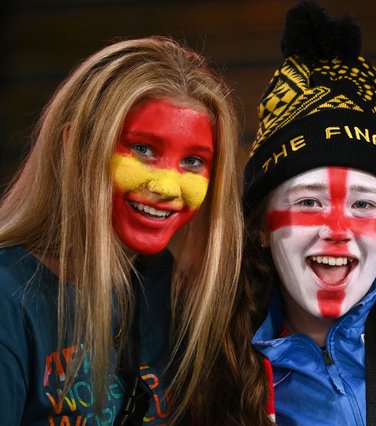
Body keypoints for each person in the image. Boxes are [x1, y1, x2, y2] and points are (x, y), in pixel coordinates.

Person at [209, 2, 376, 425]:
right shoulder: (209, 360)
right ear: (261, 225)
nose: (337, 230)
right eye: (309, 202)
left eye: (364, 204)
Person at [0, 36, 243, 424]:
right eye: (144, 149)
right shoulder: (9, 299)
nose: (165, 187)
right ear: (75, 148)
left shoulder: (165, 291)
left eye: (193, 160)